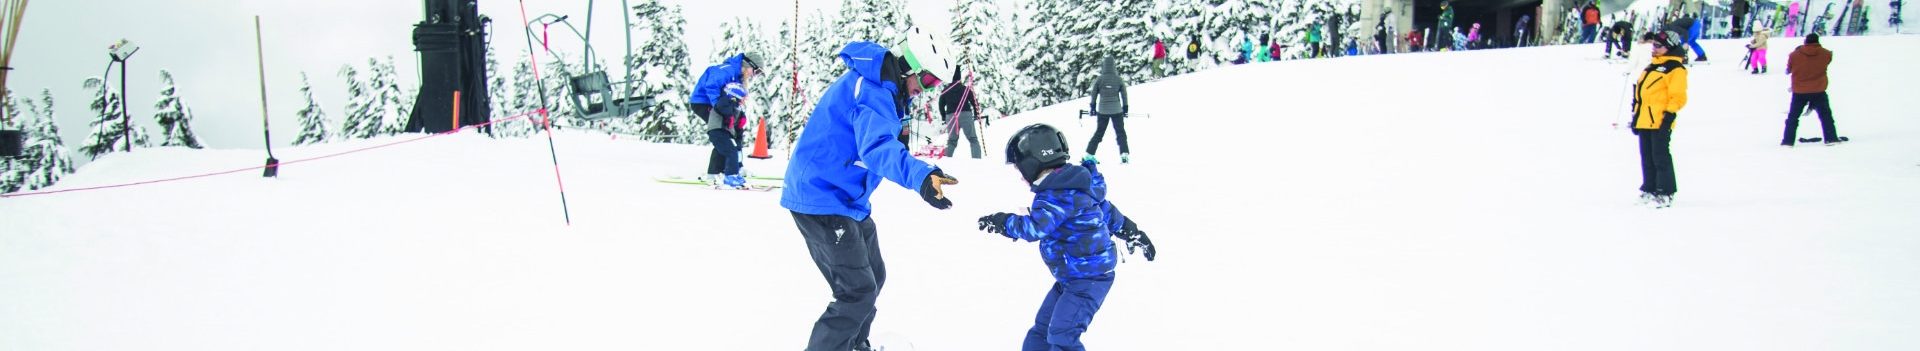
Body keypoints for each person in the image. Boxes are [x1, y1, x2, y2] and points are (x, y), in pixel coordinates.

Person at [781, 28, 962, 351]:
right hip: (821, 197)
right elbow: (876, 149)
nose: (927, 91)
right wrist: (920, 176)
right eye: (929, 82)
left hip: (846, 199)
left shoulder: (888, 91)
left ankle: (851, 345)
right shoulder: (873, 90)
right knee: (856, 291)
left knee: (873, 278)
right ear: (909, 67)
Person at [976, 123, 1156, 351]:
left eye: (1019, 168)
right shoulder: (1074, 186)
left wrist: (1002, 222)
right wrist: (1132, 231)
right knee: (1043, 330)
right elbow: (1106, 213)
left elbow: (1035, 228)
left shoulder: (1056, 194)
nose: (1020, 176)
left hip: (1087, 280)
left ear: (1033, 162)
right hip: (1072, 277)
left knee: (1062, 337)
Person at [1629, 31, 1689, 208]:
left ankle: (1666, 190)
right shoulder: (1651, 66)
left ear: (1669, 47)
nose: (1653, 49)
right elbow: (1640, 93)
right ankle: (1650, 187)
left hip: (1660, 119)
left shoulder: (1675, 68)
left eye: (1658, 46)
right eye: (1653, 45)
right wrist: (1635, 115)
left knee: (1660, 156)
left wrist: (1668, 116)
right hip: (1644, 119)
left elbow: (1678, 96)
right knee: (1646, 156)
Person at [686, 52, 761, 188]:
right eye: (755, 71)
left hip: (718, 105)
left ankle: (726, 169)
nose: (753, 75)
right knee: (722, 134)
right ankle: (720, 172)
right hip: (703, 102)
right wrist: (718, 107)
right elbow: (711, 86)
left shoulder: (737, 75)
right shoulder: (728, 70)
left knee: (728, 134)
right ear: (748, 65)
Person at [1782, 33, 1842, 146]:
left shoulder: (1794, 55)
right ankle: (1831, 138)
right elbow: (1828, 60)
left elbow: (1789, 68)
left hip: (1799, 91)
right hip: (1819, 90)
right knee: (1826, 116)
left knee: (1793, 117)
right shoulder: (1825, 53)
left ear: (1805, 41)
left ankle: (1788, 141)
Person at [1085, 56, 1131, 164]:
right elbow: (1124, 94)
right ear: (1114, 66)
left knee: (1099, 133)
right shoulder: (1118, 79)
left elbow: (1094, 94)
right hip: (1116, 110)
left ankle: (1089, 155)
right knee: (1120, 133)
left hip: (1103, 111)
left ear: (1104, 66)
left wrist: (1092, 107)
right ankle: (1124, 154)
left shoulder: (1099, 79)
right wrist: (1125, 108)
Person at [939, 64, 983, 159]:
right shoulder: (965, 89)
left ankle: (946, 161)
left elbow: (941, 105)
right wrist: (976, 114)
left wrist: (943, 117)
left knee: (951, 141)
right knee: (973, 139)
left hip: (951, 116)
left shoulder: (945, 90)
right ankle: (977, 161)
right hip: (965, 115)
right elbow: (974, 102)